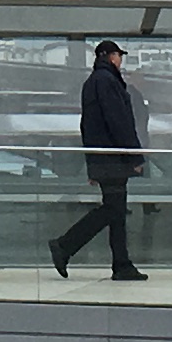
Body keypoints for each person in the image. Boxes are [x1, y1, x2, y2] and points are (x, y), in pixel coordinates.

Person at [49, 39, 148, 281]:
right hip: (113, 157)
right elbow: (119, 121)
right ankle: (64, 245)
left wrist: (92, 163)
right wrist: (134, 154)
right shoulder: (108, 81)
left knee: (116, 210)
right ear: (110, 56)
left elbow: (89, 126)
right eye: (118, 55)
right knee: (113, 209)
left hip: (103, 157)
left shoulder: (93, 82)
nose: (120, 60)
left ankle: (122, 264)